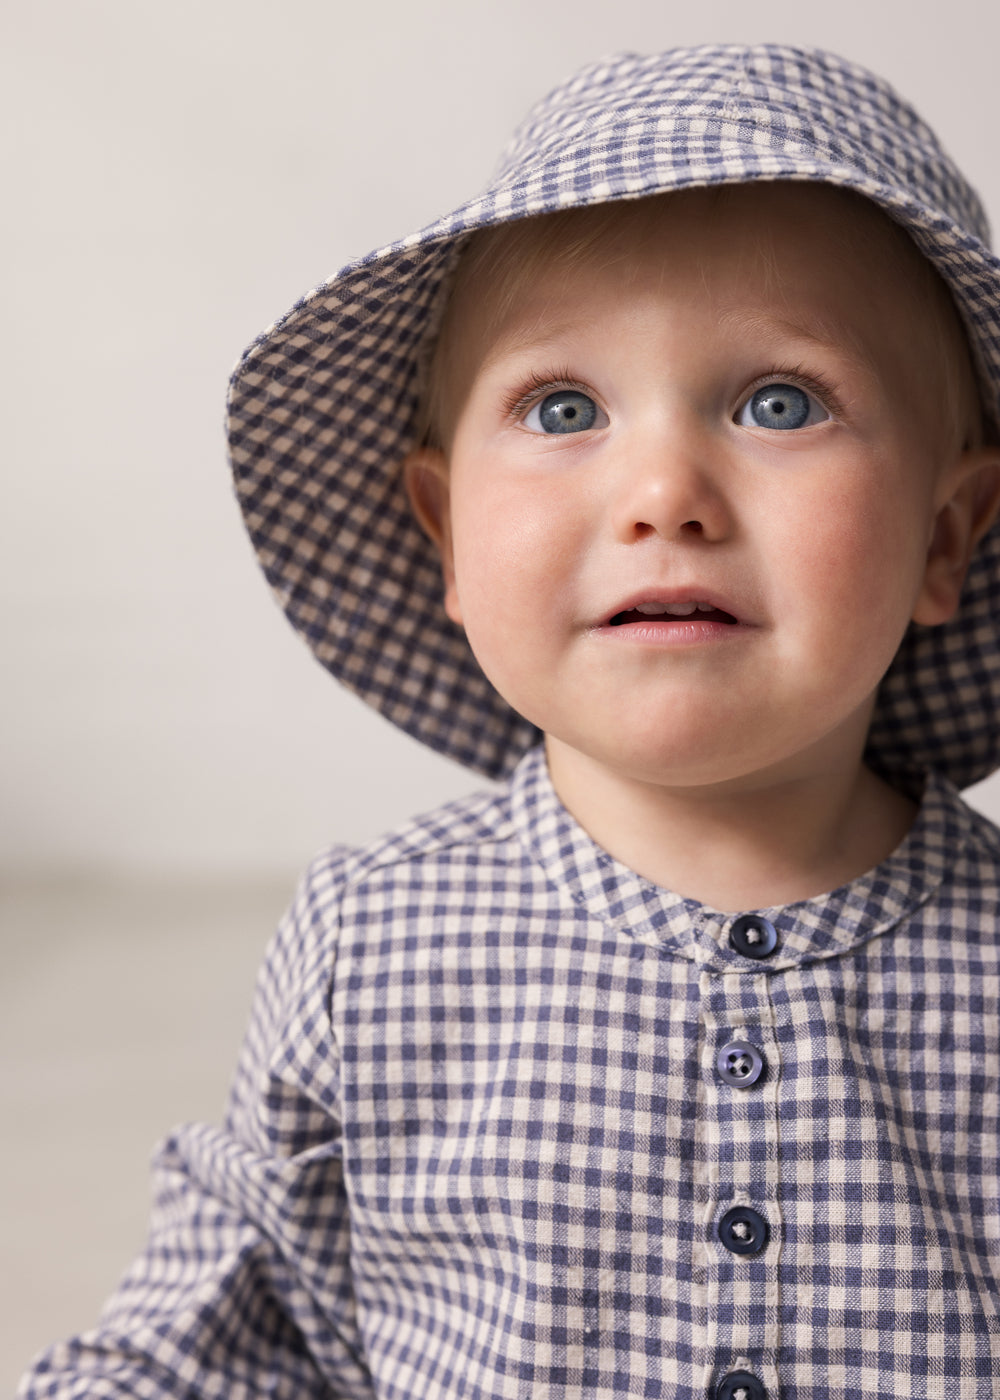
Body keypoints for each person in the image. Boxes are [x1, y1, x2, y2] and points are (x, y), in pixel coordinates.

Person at [19, 43, 1000, 1400]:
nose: (664, 490)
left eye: (781, 402)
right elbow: (231, 1337)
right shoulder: (372, 945)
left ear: (946, 536)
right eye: (563, 407)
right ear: (449, 539)